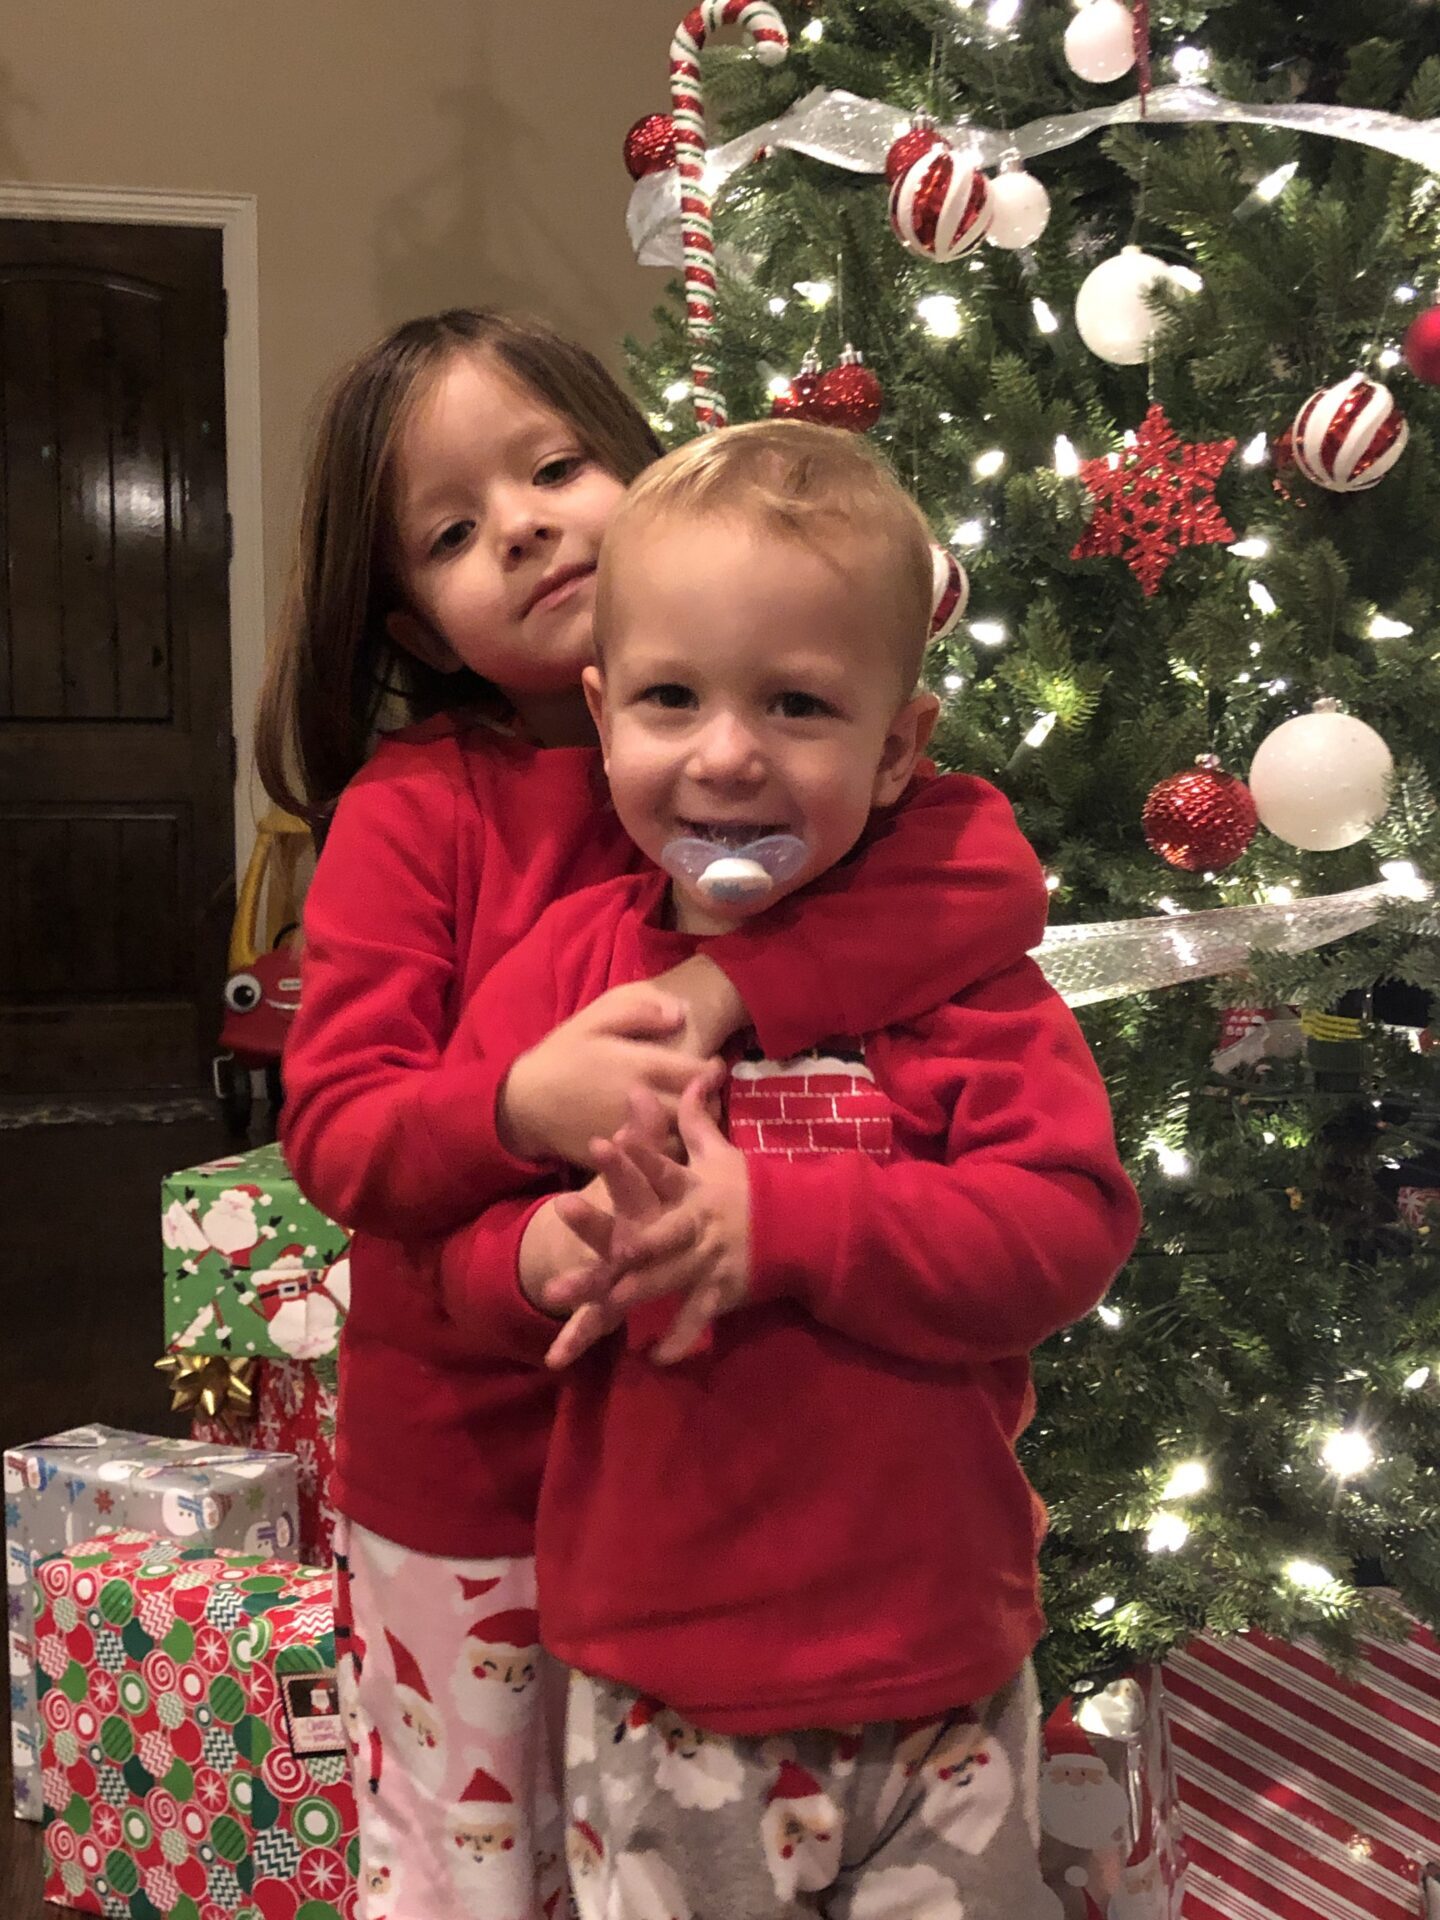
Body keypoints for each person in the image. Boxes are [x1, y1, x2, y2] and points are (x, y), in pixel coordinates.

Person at [255, 312, 1063, 1920]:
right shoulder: (421, 811)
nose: (529, 524)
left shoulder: (792, 768)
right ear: (406, 614)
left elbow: (991, 883)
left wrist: (730, 997)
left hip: (724, 1497)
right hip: (481, 1464)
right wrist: (516, 1106)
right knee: (488, 1866)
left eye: (557, 465)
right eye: (454, 528)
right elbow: (343, 1135)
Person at [438, 420, 1142, 1920]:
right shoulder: (570, 975)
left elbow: (1066, 1228)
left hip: (932, 1667)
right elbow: (463, 1251)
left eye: (801, 704)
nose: (729, 751)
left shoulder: (961, 992)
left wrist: (790, 1226)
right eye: (673, 697)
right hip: (658, 1675)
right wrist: (537, 1258)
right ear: (602, 714)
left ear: (897, 750)